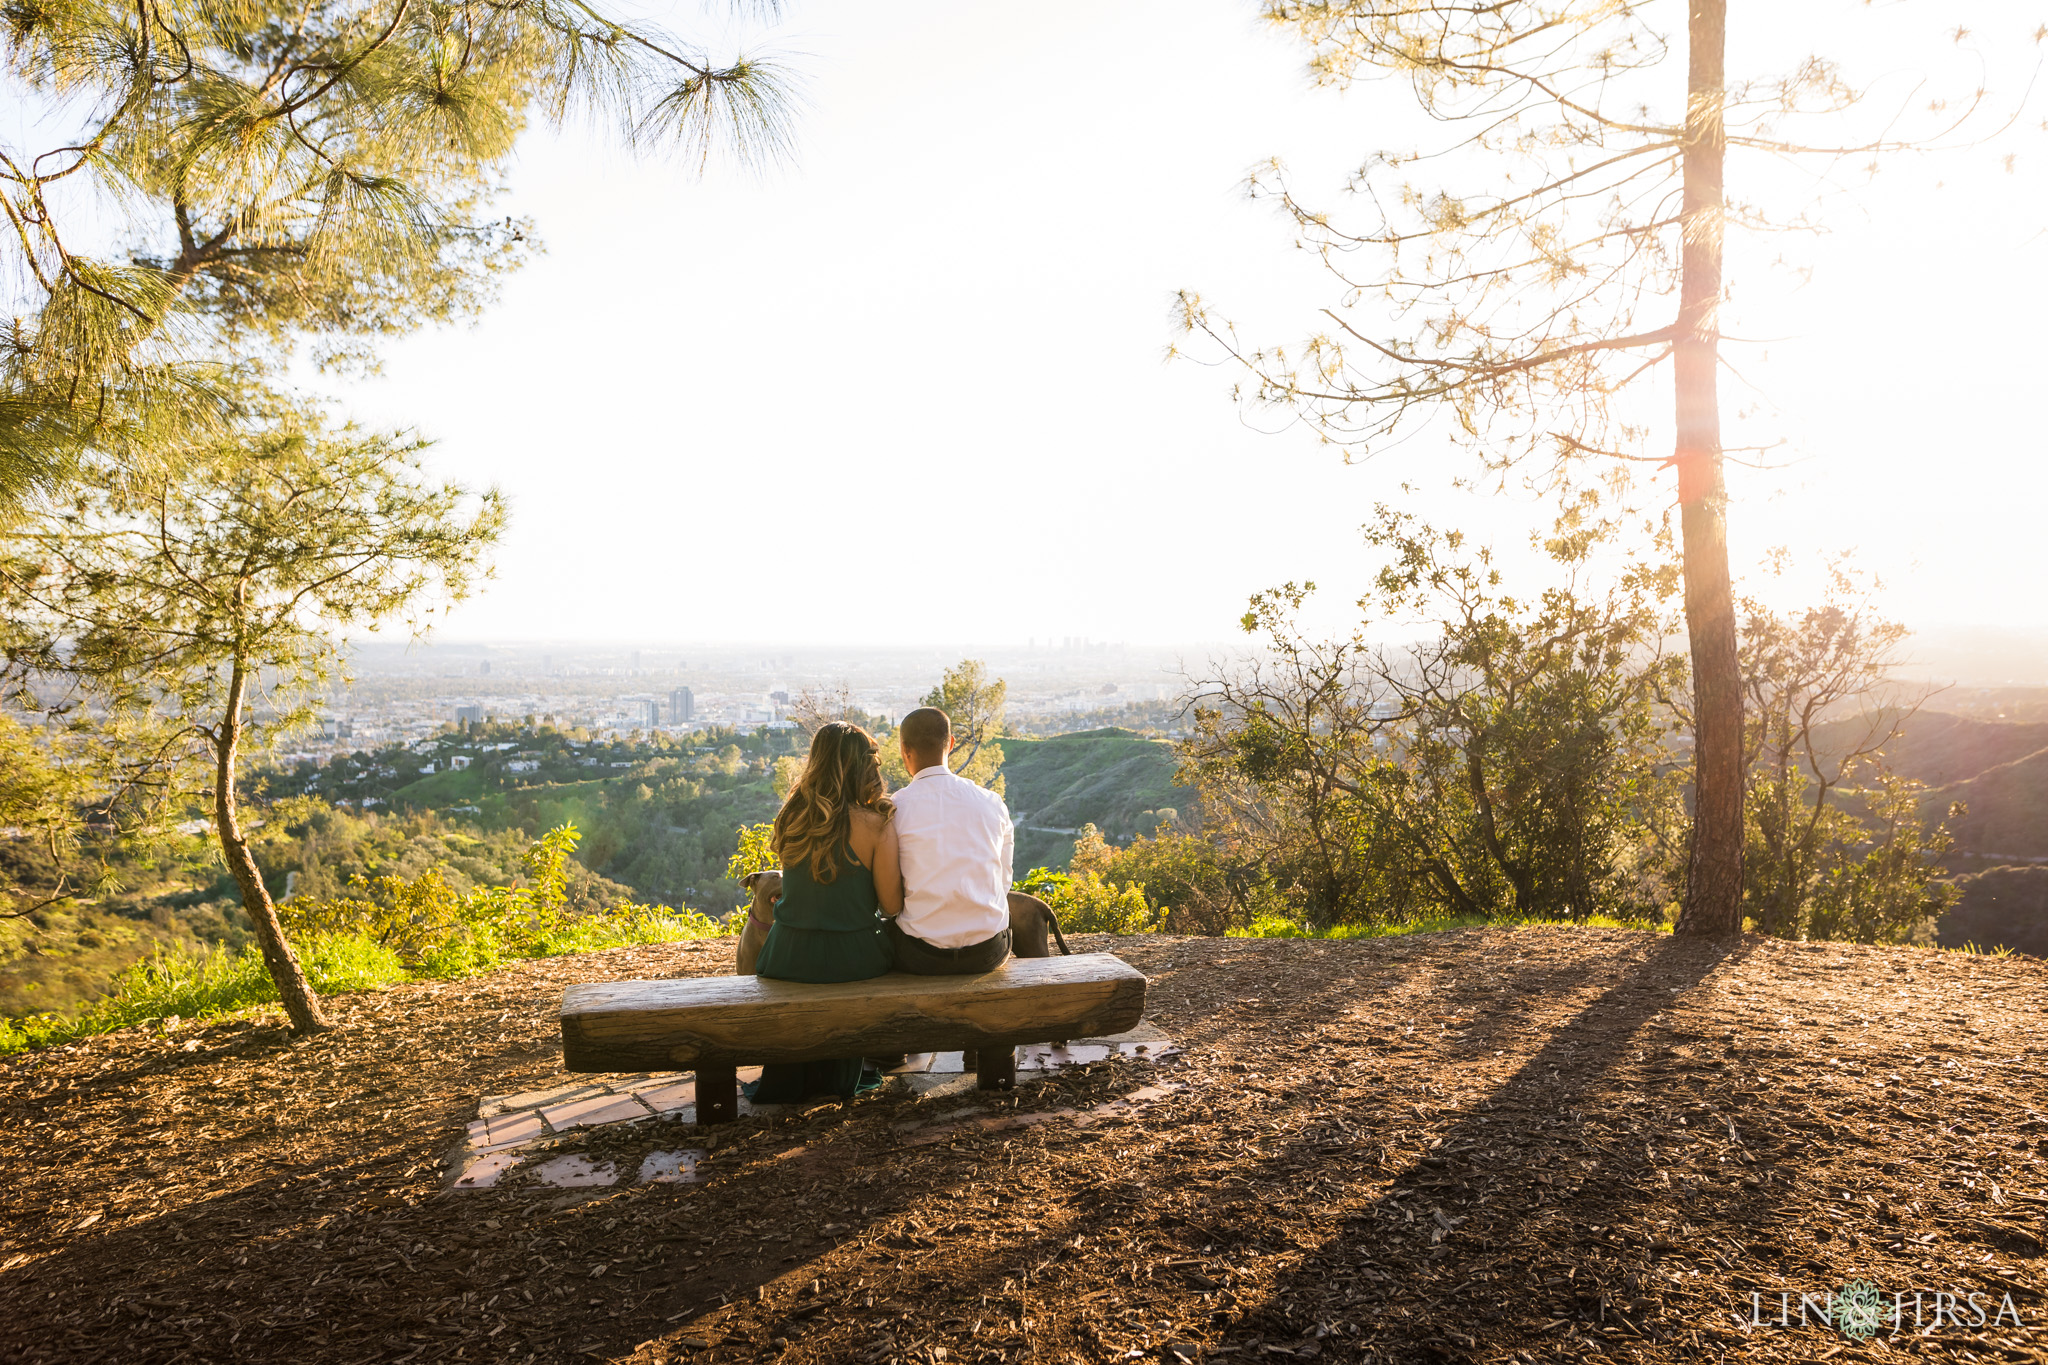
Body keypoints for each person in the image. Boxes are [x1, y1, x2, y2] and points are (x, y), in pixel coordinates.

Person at [747, 721, 903, 1102]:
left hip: (787, 955)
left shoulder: (791, 817)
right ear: (863, 767)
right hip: (852, 958)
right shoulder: (876, 824)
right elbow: (891, 905)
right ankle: (847, 1069)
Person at [887, 705, 1014, 974]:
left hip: (922, 956)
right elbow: (1003, 882)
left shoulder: (894, 809)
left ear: (904, 750)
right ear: (952, 744)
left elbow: (889, 899)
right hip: (988, 951)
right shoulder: (992, 802)